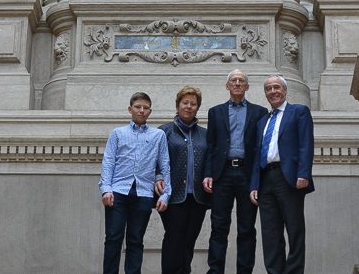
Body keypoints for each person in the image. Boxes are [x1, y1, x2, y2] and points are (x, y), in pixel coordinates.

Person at [203, 70, 268, 274]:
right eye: (234, 81)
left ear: (247, 87)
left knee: (247, 228)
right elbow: (210, 146)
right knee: (219, 227)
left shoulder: (260, 112)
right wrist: (208, 173)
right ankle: (215, 271)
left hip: (247, 176)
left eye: (242, 81)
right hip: (222, 175)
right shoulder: (215, 112)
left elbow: (260, 148)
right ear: (227, 86)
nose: (238, 83)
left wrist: (258, 180)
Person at [100, 92, 171, 274]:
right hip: (118, 192)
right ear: (130, 109)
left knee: (136, 240)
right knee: (113, 238)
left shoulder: (158, 135)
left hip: (144, 194)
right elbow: (109, 162)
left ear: (150, 111)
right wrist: (106, 189)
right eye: (138, 107)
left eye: (145, 108)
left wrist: (165, 194)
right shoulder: (117, 133)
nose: (141, 110)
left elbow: (164, 165)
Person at [249, 75, 314, 274]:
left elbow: (306, 144)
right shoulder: (262, 121)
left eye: (276, 87)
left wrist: (303, 173)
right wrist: (254, 185)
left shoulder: (299, 112)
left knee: (294, 230)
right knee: (270, 233)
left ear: (285, 91)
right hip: (266, 180)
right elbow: (256, 154)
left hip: (290, 179)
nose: (273, 91)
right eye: (268, 89)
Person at [155, 86, 211, 274]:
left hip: (197, 198)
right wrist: (158, 177)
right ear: (178, 105)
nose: (189, 106)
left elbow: (210, 162)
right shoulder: (164, 132)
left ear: (198, 107)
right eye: (185, 103)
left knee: (189, 241)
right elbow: (154, 160)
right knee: (174, 239)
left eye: (193, 104)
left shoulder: (205, 134)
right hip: (172, 197)